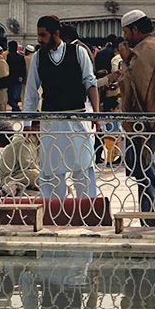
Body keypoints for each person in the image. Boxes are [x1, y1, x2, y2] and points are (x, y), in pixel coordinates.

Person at [24, 16, 100, 201]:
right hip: (51, 121)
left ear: (56, 34)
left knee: (83, 167)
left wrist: (96, 115)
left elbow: (90, 83)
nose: (40, 40)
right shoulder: (38, 58)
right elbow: (32, 92)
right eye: (39, 35)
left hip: (77, 119)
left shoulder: (78, 52)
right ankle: (53, 212)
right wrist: (27, 123)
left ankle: (86, 210)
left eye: (43, 35)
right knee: (51, 170)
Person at [118, 9, 155, 217]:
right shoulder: (151, 45)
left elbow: (135, 84)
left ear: (135, 29)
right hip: (149, 125)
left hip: (147, 125)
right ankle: (150, 219)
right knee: (148, 176)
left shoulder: (146, 49)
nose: (125, 37)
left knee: (151, 176)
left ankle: (154, 221)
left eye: (126, 32)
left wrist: (126, 59)